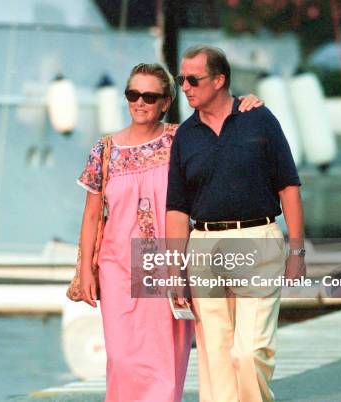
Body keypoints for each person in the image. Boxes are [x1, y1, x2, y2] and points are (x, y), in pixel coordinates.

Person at [77, 62, 263, 402]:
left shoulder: (182, 138)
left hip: (167, 264)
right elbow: (91, 217)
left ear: (166, 102)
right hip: (117, 268)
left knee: (164, 366)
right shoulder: (104, 151)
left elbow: (224, 123)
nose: (141, 102)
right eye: (133, 94)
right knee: (121, 360)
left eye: (150, 96)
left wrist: (246, 105)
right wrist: (83, 272)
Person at [165, 45, 306, 402]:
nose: (185, 86)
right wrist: (174, 270)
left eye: (193, 79)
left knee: (249, 352)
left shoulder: (258, 118)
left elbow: (288, 186)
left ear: (219, 79)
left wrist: (297, 250)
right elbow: (178, 209)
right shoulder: (185, 135)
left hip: (258, 237)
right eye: (182, 79)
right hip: (204, 245)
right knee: (216, 352)